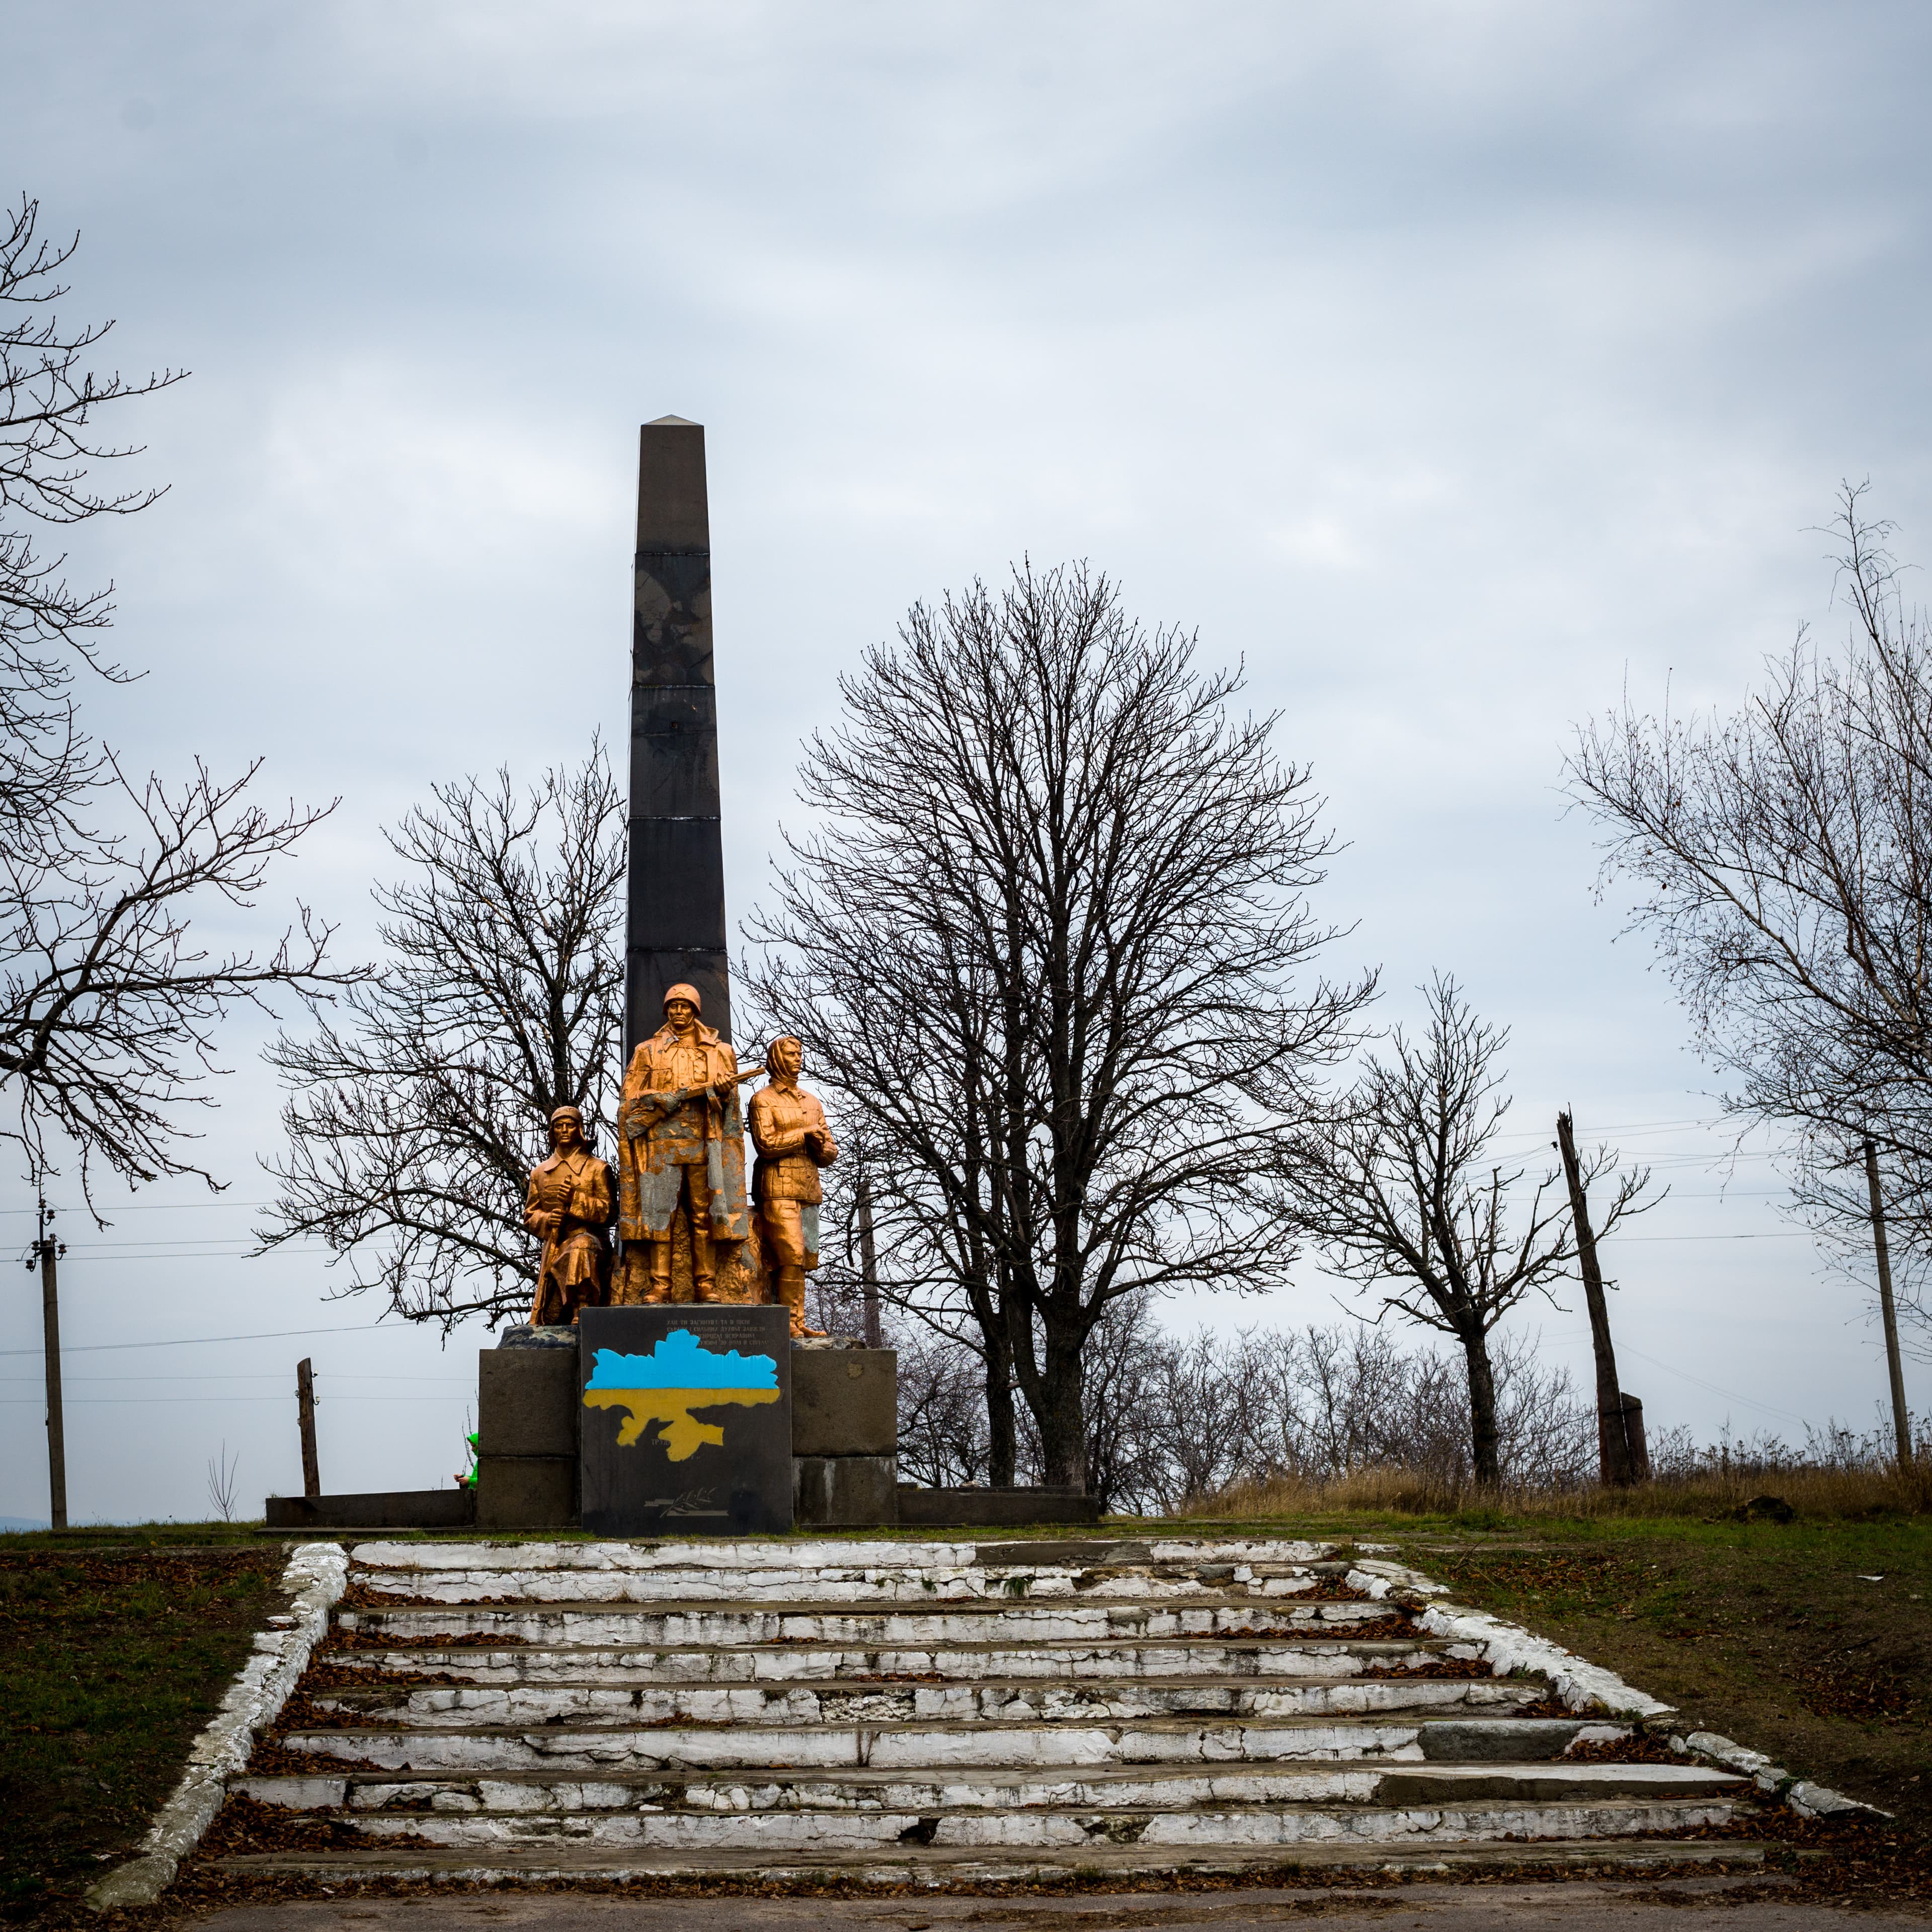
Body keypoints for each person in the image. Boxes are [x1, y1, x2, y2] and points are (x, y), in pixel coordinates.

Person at [615, 983, 752, 1302]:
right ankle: (661, 1284)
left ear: (695, 1010)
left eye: (685, 1006)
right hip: (661, 1145)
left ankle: (706, 1283)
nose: (679, 1011)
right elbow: (629, 1099)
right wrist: (659, 1099)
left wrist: (722, 1092)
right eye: (673, 1006)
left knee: (703, 1215)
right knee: (661, 1215)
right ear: (666, 1010)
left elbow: (732, 1109)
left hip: (704, 1144)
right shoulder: (648, 1051)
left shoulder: (719, 1051)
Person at [747, 1034, 839, 1337]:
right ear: (776, 1058)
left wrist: (821, 1146)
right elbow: (765, 1144)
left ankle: (798, 1321)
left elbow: (830, 1153)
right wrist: (804, 1134)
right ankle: (785, 1321)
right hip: (777, 1187)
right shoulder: (762, 1099)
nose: (798, 1059)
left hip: (808, 1188)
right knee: (790, 1254)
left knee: (804, 1260)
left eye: (799, 1054)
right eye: (790, 1054)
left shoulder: (812, 1102)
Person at [523, 1105, 614, 1326]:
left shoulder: (597, 1168)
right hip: (557, 1243)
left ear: (579, 1129)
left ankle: (582, 1307)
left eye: (570, 1125)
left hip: (592, 1241)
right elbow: (530, 1215)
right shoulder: (539, 1173)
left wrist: (576, 1201)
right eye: (559, 1126)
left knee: (581, 1246)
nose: (564, 1130)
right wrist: (546, 1220)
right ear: (552, 1132)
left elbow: (609, 1212)